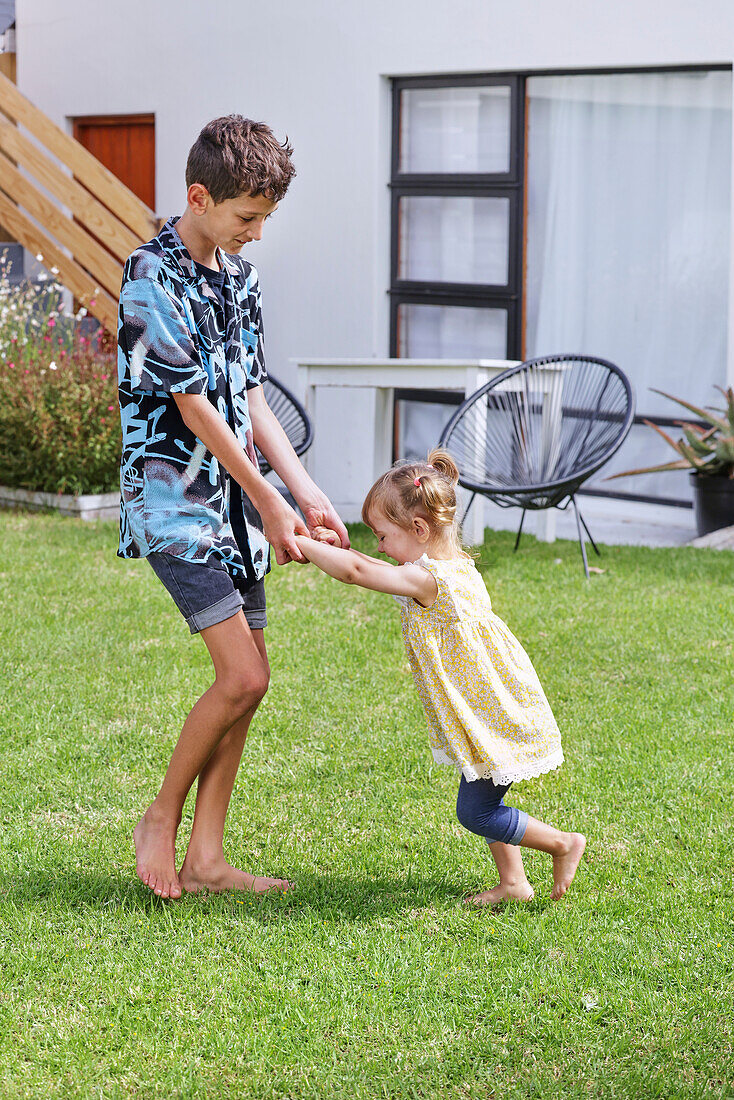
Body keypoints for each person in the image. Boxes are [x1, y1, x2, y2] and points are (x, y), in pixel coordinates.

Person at [117, 116, 348, 900]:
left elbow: (249, 395)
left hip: (236, 504)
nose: (255, 234)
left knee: (254, 681)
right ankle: (162, 816)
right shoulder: (150, 272)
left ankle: (208, 859)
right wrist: (270, 501)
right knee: (242, 676)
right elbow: (193, 407)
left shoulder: (240, 280)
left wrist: (304, 490)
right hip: (175, 501)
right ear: (199, 196)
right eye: (247, 217)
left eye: (264, 221)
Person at [297, 451, 586, 906]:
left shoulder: (431, 581)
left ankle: (562, 843)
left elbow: (357, 573)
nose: (378, 546)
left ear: (417, 530)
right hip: (485, 710)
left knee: (476, 812)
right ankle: (513, 883)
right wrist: (333, 547)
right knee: (483, 785)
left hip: (491, 717)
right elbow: (368, 566)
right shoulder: (454, 567)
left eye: (381, 535)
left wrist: (302, 544)